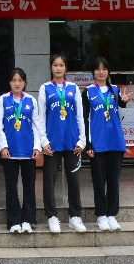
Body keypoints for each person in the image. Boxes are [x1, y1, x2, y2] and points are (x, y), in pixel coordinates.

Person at [83, 56, 132, 232]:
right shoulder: (88, 92)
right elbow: (85, 119)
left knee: (113, 181)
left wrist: (123, 103)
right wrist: (88, 144)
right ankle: (101, 215)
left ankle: (112, 215)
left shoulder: (115, 90)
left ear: (108, 71)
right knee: (98, 181)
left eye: (104, 69)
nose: (101, 72)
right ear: (93, 72)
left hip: (115, 142)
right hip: (97, 143)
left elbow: (121, 116)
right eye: (98, 69)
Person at [39, 53, 87, 233]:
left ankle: (75, 216)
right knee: (49, 180)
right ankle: (52, 216)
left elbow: (80, 116)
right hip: (52, 143)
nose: (58, 68)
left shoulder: (73, 88)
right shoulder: (45, 88)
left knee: (73, 179)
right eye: (55, 65)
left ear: (66, 68)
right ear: (50, 67)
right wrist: (43, 140)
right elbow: (40, 117)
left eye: (61, 65)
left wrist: (82, 140)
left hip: (72, 142)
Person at [0, 67, 42, 233]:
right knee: (11, 188)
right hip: (10, 151)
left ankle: (28, 220)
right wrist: (3, 146)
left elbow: (36, 125)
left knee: (29, 187)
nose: (17, 83)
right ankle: (14, 221)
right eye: (14, 80)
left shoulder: (31, 100)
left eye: (20, 80)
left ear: (25, 82)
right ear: (9, 82)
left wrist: (37, 146)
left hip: (28, 150)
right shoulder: (2, 100)